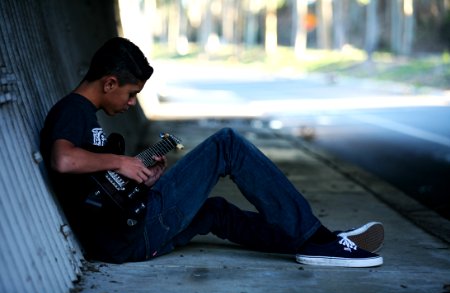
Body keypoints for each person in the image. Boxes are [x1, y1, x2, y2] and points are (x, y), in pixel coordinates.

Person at [40, 37, 384, 268]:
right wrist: (122, 161)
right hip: (132, 233)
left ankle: (315, 242)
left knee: (216, 212)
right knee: (226, 143)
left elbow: (95, 187)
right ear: (109, 83)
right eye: (131, 94)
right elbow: (63, 159)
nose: (132, 103)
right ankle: (317, 239)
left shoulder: (87, 117)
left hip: (130, 233)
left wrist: (141, 177)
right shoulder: (73, 110)